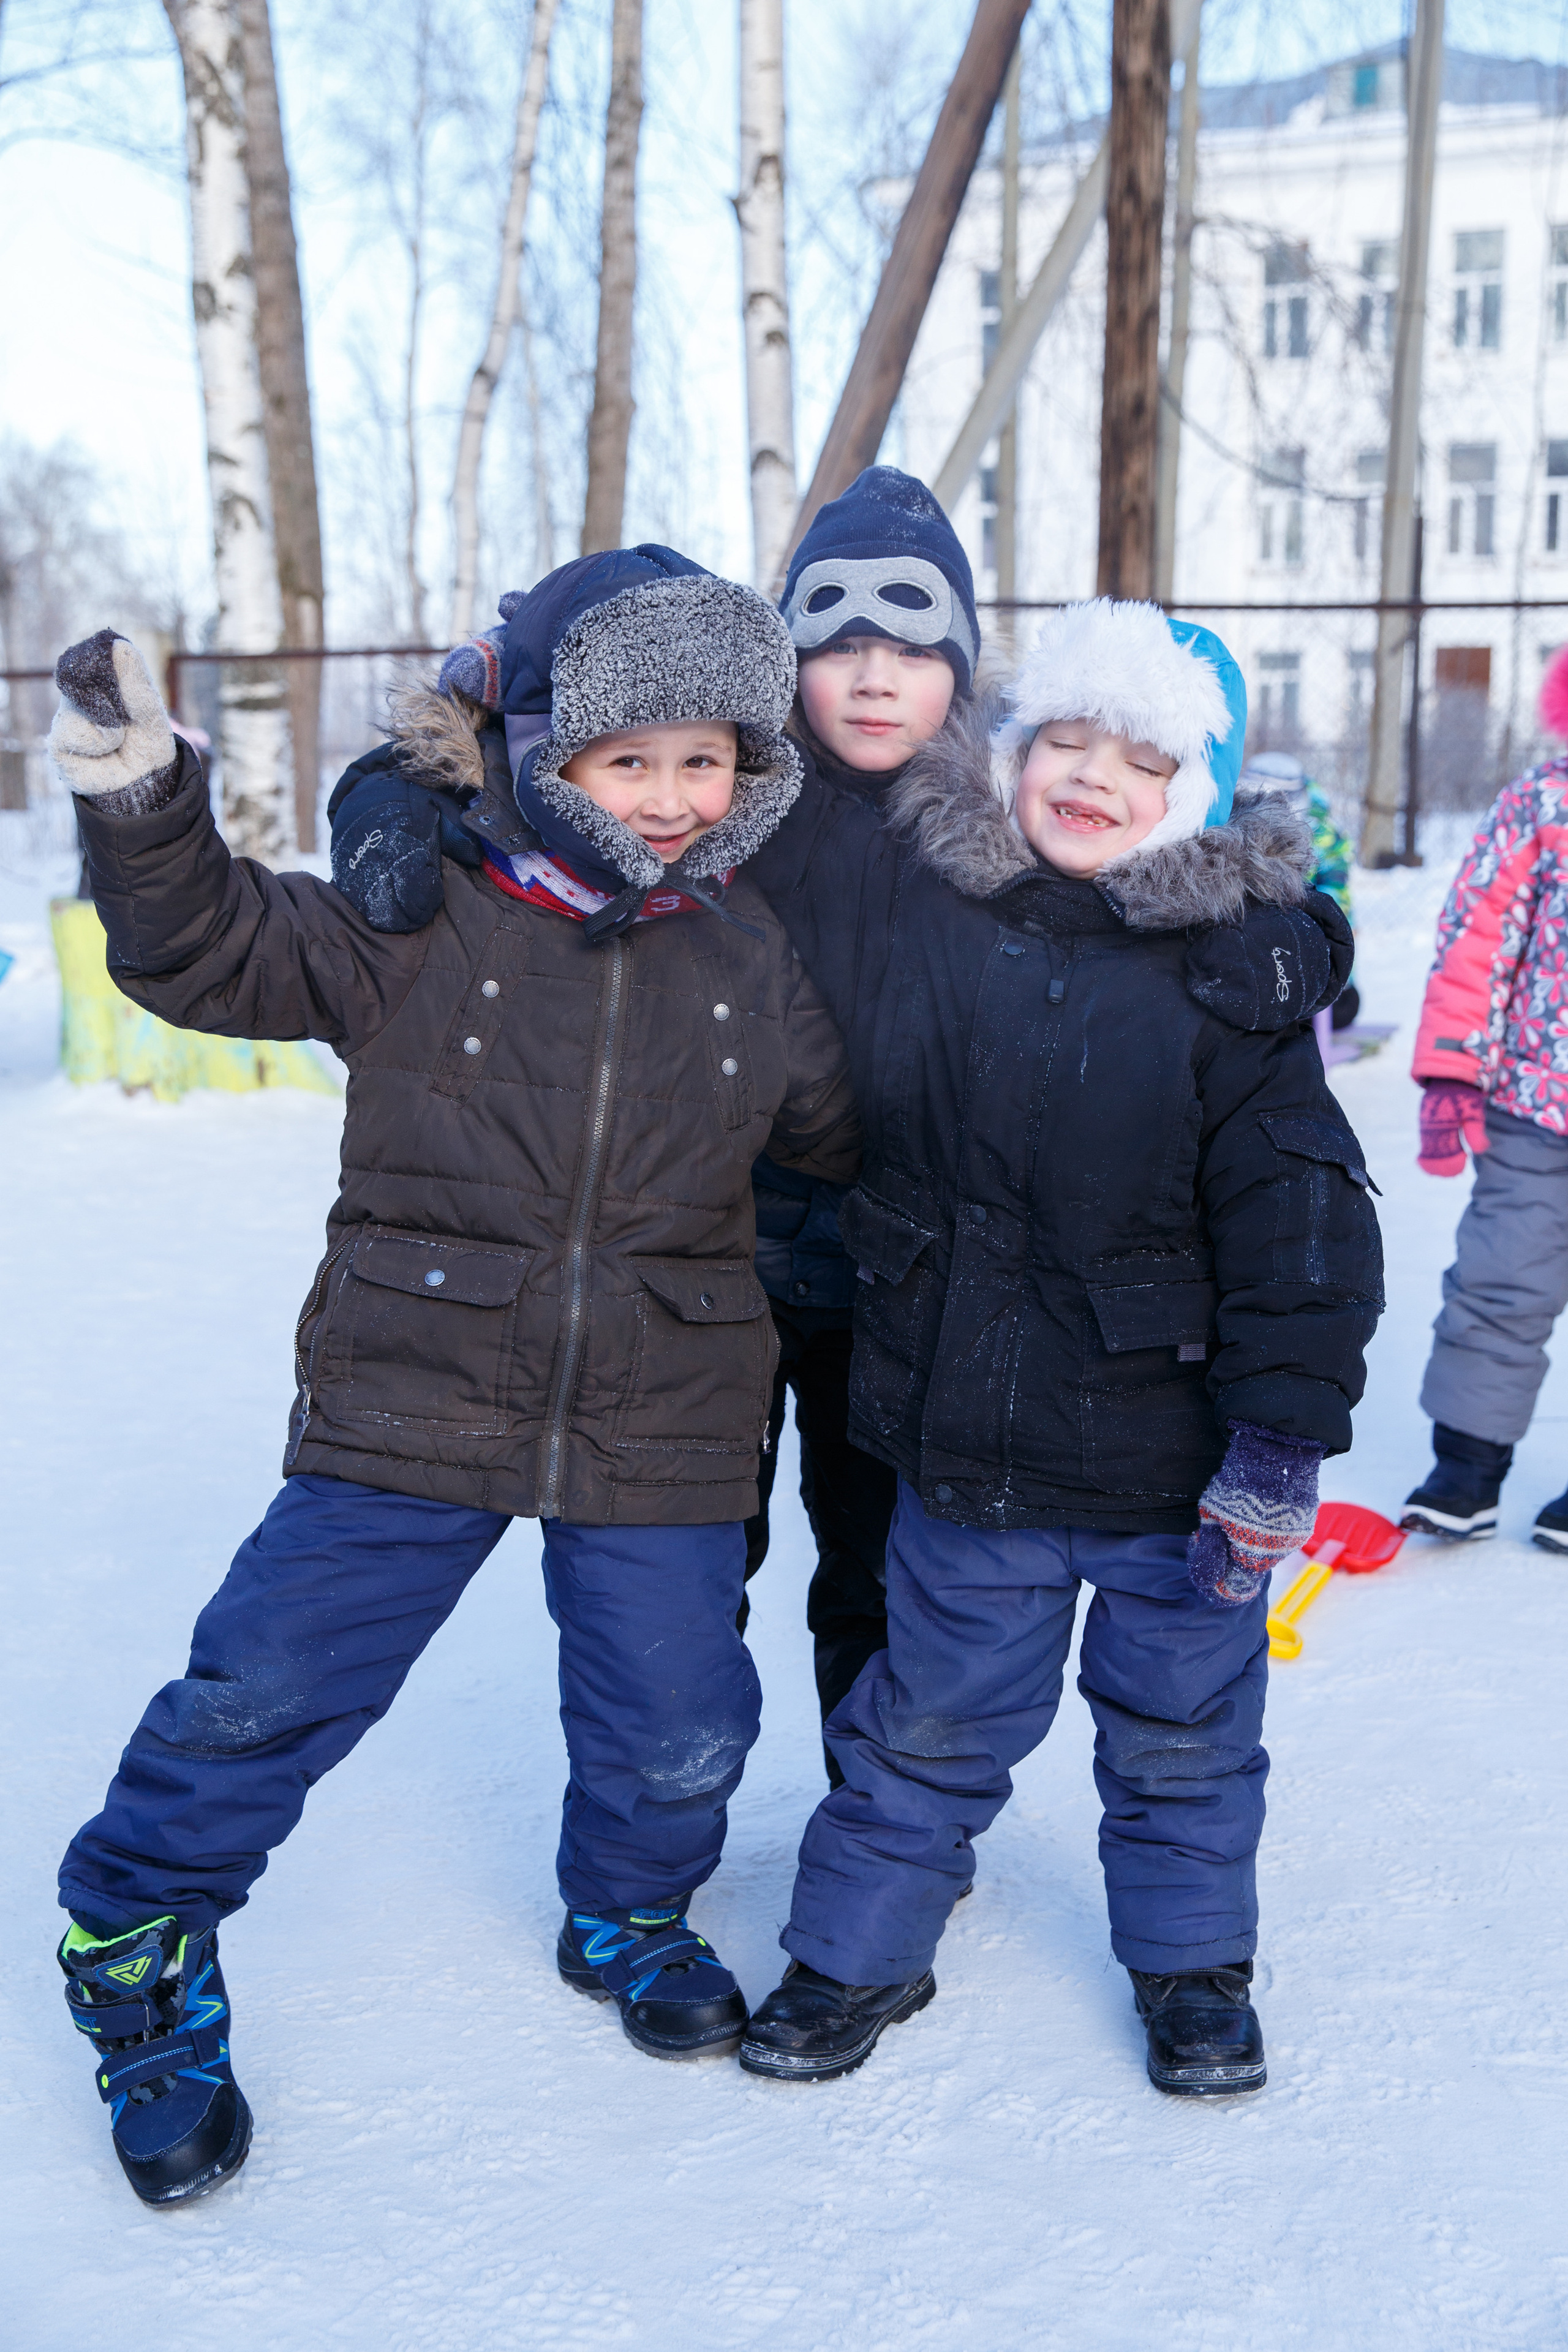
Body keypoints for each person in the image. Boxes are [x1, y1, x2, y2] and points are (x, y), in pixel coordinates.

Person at [49, 549, 861, 2205]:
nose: (673, 797)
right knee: (268, 1677)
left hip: (668, 1401)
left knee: (680, 1718)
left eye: (706, 758)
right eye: (629, 760)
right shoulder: (423, 914)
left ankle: (628, 1913)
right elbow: (207, 953)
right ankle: (134, 1932)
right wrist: (145, 801)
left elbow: (855, 1131)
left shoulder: (754, 953)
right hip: (416, 1372)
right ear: (544, 757)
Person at [729, 598, 1382, 2094]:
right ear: (1009, 757)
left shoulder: (1229, 988)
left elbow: (1304, 1237)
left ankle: (1194, 1971)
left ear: (1191, 802)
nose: (1089, 774)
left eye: (1136, 757)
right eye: (1061, 740)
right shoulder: (935, 931)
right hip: (971, 1450)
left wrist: (1276, 1446)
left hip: (1176, 1476)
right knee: (922, 1723)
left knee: (1180, 1742)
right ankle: (852, 1956)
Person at [330, 467, 980, 1784]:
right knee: (687, 1568)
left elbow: (1147, 850)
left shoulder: (1002, 809)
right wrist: (388, 790)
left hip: (905, 1261)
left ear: (962, 671)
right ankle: (662, 1815)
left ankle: (878, 1833)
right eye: (834, 642)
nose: (869, 676)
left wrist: (1291, 925)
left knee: (882, 1559)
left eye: (910, 647)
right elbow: (505, 719)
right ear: (774, 662)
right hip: (704, 1254)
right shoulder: (721, 789)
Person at [1402, 646, 1568, 1547]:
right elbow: (1480, 939)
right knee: (1501, 1281)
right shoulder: (1543, 803)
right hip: (1537, 1108)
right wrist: (1457, 1070)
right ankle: (1468, 1465)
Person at [1240, 752, 1360, 1028]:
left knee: (1341, 1008)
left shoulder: (1324, 836)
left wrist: (1337, 969)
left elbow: (1338, 903)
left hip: (1305, 935)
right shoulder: (1231, 826)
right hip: (1248, 939)